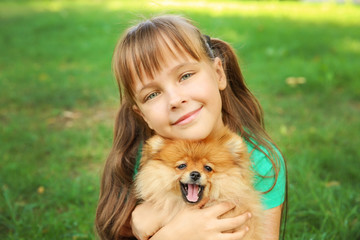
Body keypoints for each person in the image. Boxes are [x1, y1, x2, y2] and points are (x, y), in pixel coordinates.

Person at [95, 15, 287, 240]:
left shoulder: (262, 160)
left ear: (218, 73)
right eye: (153, 94)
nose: (175, 99)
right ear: (142, 114)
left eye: (185, 75)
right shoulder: (149, 154)